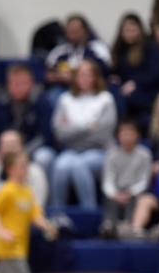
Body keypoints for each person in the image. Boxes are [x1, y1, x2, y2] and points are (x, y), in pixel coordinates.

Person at [0, 63, 55, 191]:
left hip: (29, 153)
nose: (18, 87)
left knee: (45, 157)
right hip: (1, 155)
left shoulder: (41, 104)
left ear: (31, 83)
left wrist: (24, 153)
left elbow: (45, 137)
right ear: (8, 85)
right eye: (15, 83)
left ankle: (44, 202)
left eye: (22, 83)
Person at [50, 60, 117, 208]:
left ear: (95, 77)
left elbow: (103, 134)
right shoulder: (65, 99)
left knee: (78, 164)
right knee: (60, 165)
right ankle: (58, 214)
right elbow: (60, 133)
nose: (84, 78)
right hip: (71, 150)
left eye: (88, 74)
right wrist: (88, 127)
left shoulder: (105, 99)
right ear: (75, 77)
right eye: (81, 74)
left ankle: (89, 211)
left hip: (99, 151)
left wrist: (73, 129)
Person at [0, 130, 49, 225]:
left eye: (13, 145)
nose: (9, 150)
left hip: (27, 223)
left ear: (21, 147)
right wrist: (0, 221)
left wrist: (16, 216)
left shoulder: (36, 172)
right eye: (6, 146)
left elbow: (38, 205)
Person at [110, 12, 159, 131]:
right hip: (125, 91)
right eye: (126, 29)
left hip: (146, 90)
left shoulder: (150, 47)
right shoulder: (119, 50)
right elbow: (116, 73)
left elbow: (155, 74)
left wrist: (135, 83)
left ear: (139, 29)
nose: (129, 32)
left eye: (132, 29)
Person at [100, 120, 152, 238]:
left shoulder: (145, 154)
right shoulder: (111, 154)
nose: (127, 137)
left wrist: (131, 192)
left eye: (130, 133)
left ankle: (128, 226)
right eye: (124, 134)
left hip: (135, 191)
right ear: (118, 136)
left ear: (137, 135)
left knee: (138, 198)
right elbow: (108, 179)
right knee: (108, 197)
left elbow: (144, 180)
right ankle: (108, 225)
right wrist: (114, 194)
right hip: (117, 190)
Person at [44, 14, 111, 106]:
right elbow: (47, 74)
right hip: (64, 89)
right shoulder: (59, 51)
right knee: (52, 96)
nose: (72, 34)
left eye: (76, 31)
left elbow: (105, 72)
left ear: (85, 31)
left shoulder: (97, 48)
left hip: (93, 89)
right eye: (69, 31)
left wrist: (75, 78)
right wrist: (58, 76)